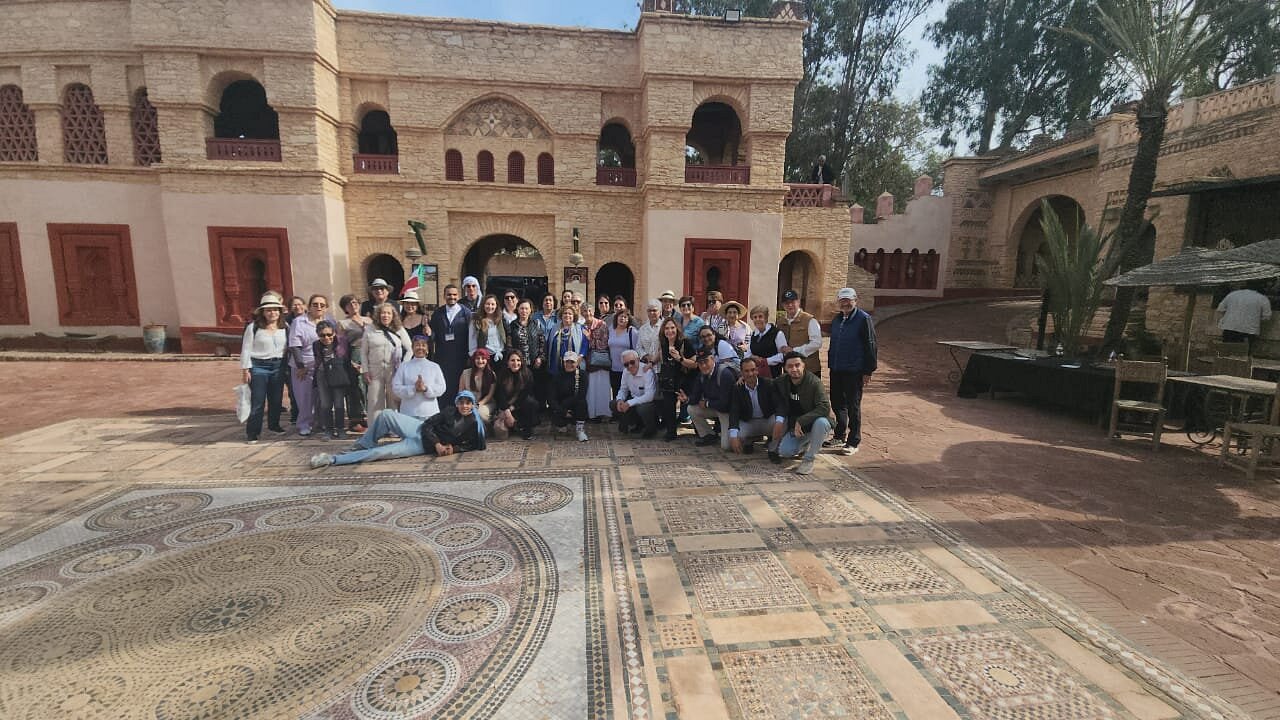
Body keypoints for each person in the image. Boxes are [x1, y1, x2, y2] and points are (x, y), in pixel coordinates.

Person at [310, 390, 486, 468]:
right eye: (461, 402)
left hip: (421, 446)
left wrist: (453, 448)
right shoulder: (449, 411)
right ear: (457, 403)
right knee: (386, 414)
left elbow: (473, 444)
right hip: (418, 429)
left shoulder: (473, 424)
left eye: (468, 403)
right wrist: (438, 444)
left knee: (378, 453)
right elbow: (427, 424)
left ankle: (333, 459)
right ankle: (364, 443)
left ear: (473, 405)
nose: (464, 406)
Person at [827, 287, 877, 455]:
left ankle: (853, 440)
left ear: (855, 300)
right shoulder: (837, 319)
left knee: (853, 405)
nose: (845, 303)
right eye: (842, 300)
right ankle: (839, 435)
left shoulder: (863, 319)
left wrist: (868, 370)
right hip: (836, 368)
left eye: (848, 300)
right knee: (837, 402)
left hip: (854, 370)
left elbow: (871, 344)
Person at [772, 351, 833, 475]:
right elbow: (765, 384)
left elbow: (824, 407)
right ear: (785, 368)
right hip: (796, 427)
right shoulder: (782, 381)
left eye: (797, 365)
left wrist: (801, 420)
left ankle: (809, 459)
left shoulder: (814, 382)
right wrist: (743, 378)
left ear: (803, 365)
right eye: (790, 366)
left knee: (821, 422)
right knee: (785, 452)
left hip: (815, 423)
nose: (794, 369)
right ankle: (808, 442)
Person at [240, 292, 288, 443]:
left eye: (275, 309)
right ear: (263, 312)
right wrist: (245, 369)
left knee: (276, 399)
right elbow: (246, 349)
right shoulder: (253, 328)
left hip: (278, 366)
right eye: (268, 310)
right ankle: (253, 432)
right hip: (259, 366)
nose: (272, 313)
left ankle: (274, 425)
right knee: (258, 401)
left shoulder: (285, 327)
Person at [288, 294, 330, 436]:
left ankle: (320, 423)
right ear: (309, 307)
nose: (319, 307)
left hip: (322, 365)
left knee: (321, 397)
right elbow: (295, 345)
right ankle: (304, 424)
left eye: (322, 305)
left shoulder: (329, 321)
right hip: (304, 365)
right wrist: (300, 366)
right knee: (305, 398)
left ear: (326, 308)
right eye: (315, 304)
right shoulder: (299, 322)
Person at [361, 302, 411, 420]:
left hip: (394, 370)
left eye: (389, 313)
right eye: (383, 313)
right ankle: (374, 428)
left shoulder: (399, 329)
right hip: (374, 370)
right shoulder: (370, 329)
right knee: (374, 401)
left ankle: (392, 426)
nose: (386, 316)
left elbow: (410, 349)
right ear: (378, 315)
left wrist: (403, 366)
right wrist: (365, 370)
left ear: (393, 315)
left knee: (393, 401)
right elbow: (363, 352)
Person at [680, 350, 739, 449]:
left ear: (712, 359)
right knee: (691, 409)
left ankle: (740, 435)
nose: (703, 366)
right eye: (700, 363)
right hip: (715, 407)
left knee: (726, 446)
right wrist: (687, 399)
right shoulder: (701, 376)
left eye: (706, 361)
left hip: (728, 412)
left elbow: (725, 404)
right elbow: (696, 396)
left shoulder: (725, 374)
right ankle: (708, 435)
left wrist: (707, 403)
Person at [429, 284, 472, 402]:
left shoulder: (466, 313)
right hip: (443, 358)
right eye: (449, 295)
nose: (452, 297)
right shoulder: (438, 313)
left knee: (459, 386)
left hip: (461, 358)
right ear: (444, 296)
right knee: (444, 385)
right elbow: (433, 334)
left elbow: (471, 335)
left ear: (458, 296)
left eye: (454, 294)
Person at [728, 356, 779, 454]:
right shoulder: (737, 388)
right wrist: (733, 436)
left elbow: (779, 405)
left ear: (757, 370)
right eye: (746, 371)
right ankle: (750, 440)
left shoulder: (768, 384)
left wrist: (779, 422)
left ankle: (773, 448)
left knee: (782, 421)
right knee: (731, 441)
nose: (750, 374)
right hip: (749, 422)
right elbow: (734, 411)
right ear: (741, 373)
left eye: (753, 370)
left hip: (767, 420)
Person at [656, 317, 695, 440]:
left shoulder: (685, 342)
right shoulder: (663, 343)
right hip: (668, 379)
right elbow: (659, 358)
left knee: (689, 405)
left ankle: (700, 430)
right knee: (668, 406)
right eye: (666, 328)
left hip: (684, 379)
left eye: (672, 328)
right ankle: (671, 432)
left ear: (677, 329)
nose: (670, 331)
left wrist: (680, 358)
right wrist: (649, 363)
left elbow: (695, 364)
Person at [312, 319, 352, 440]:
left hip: (338, 373)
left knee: (339, 403)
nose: (326, 338)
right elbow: (317, 360)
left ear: (334, 333)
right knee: (325, 404)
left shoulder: (342, 342)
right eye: (322, 335)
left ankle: (340, 429)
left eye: (329, 334)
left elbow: (346, 357)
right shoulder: (316, 345)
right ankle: (328, 430)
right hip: (322, 374)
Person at [392, 335, 447, 419]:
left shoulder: (434, 366)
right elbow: (396, 387)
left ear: (427, 349)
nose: (420, 347)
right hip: (408, 413)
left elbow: (442, 387)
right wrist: (413, 388)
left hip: (430, 413)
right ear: (412, 348)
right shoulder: (404, 366)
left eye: (423, 345)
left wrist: (425, 389)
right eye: (417, 345)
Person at [337, 293, 370, 432]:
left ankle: (369, 415)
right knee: (356, 387)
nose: (353, 305)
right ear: (345, 308)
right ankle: (356, 418)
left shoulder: (369, 320)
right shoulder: (343, 323)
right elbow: (341, 346)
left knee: (369, 386)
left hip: (370, 354)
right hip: (355, 354)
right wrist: (349, 361)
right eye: (349, 304)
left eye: (355, 302)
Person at [494, 350, 539, 440]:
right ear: (507, 362)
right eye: (512, 360)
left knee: (531, 403)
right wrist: (507, 413)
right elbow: (500, 396)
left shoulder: (527, 374)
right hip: (505, 406)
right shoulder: (502, 374)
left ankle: (526, 428)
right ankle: (514, 425)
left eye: (518, 360)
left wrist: (512, 407)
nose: (516, 363)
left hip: (518, 404)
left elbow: (525, 394)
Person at [777, 289, 823, 377]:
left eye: (792, 302)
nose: (790, 305)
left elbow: (817, 343)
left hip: (808, 369)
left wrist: (794, 351)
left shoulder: (809, 320)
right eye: (786, 303)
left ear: (798, 302)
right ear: (783, 305)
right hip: (789, 369)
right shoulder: (780, 322)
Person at [613, 349, 658, 437]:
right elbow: (623, 389)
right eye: (626, 364)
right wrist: (619, 400)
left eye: (632, 362)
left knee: (643, 408)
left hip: (650, 403)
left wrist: (629, 403)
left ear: (638, 360)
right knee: (614, 404)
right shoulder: (625, 371)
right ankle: (628, 423)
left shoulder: (646, 370)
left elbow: (650, 396)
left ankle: (651, 429)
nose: (630, 366)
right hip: (634, 401)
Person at [549, 351, 590, 441]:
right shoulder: (557, 376)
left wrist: (568, 407)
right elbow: (552, 398)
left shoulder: (582, 375)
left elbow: (582, 395)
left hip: (575, 406)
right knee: (556, 416)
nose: (569, 364)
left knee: (582, 403)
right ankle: (562, 424)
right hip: (561, 407)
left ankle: (580, 430)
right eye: (567, 362)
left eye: (572, 362)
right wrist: (563, 411)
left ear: (577, 363)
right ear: (563, 362)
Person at [1216, 283, 1272, 349]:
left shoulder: (1233, 294)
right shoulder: (1262, 298)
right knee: (1243, 352)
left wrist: (1229, 317)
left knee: (1227, 350)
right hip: (1249, 331)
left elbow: (1220, 309)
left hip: (1229, 328)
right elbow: (1266, 317)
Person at [583, 305, 613, 421]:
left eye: (589, 310)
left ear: (593, 311)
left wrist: (590, 338)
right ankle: (591, 413)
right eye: (584, 311)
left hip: (600, 361)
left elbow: (604, 344)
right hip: (588, 361)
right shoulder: (582, 326)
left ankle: (602, 412)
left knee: (601, 388)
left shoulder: (601, 324)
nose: (587, 313)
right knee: (590, 388)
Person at [546, 305, 588, 377]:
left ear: (574, 316)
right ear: (561, 315)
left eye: (570, 314)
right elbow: (548, 344)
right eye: (565, 313)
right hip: (556, 366)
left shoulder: (581, 328)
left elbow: (585, 343)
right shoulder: (554, 328)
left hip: (573, 365)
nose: (567, 315)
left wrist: (581, 356)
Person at [458, 348, 497, 424]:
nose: (480, 361)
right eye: (477, 358)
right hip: (468, 402)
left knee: (478, 413)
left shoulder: (492, 374)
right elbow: (461, 391)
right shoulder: (465, 373)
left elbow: (489, 395)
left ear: (487, 360)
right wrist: (465, 405)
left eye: (483, 358)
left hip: (485, 403)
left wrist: (477, 405)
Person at [284, 295, 307, 423]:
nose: (297, 307)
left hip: (310, 357)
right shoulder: (286, 322)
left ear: (305, 306)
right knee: (294, 388)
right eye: (294, 305)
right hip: (291, 358)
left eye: (300, 304)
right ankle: (296, 413)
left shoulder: (310, 319)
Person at [607, 309, 639, 399]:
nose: (622, 319)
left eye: (625, 317)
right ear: (616, 318)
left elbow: (637, 351)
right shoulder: (611, 330)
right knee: (616, 394)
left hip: (628, 370)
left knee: (628, 395)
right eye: (620, 316)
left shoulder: (632, 332)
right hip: (613, 369)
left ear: (629, 320)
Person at [749, 304, 786, 378]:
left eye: (760, 316)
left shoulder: (777, 333)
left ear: (766, 318)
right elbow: (749, 351)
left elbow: (783, 355)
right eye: (755, 317)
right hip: (756, 373)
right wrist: (751, 357)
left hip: (772, 374)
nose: (757, 319)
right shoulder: (754, 334)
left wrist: (765, 361)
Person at [469, 294, 506, 361]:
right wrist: (474, 355)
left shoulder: (501, 319)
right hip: (485, 358)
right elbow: (472, 339)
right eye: (487, 304)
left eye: (492, 304)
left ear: (496, 306)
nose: (490, 306)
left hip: (501, 355)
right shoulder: (476, 321)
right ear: (483, 305)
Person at [637, 300, 664, 367]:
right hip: (646, 366)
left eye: (654, 310)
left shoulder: (665, 327)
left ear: (660, 312)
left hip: (662, 365)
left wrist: (654, 359)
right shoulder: (642, 329)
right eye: (649, 310)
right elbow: (638, 347)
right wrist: (646, 356)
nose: (652, 313)